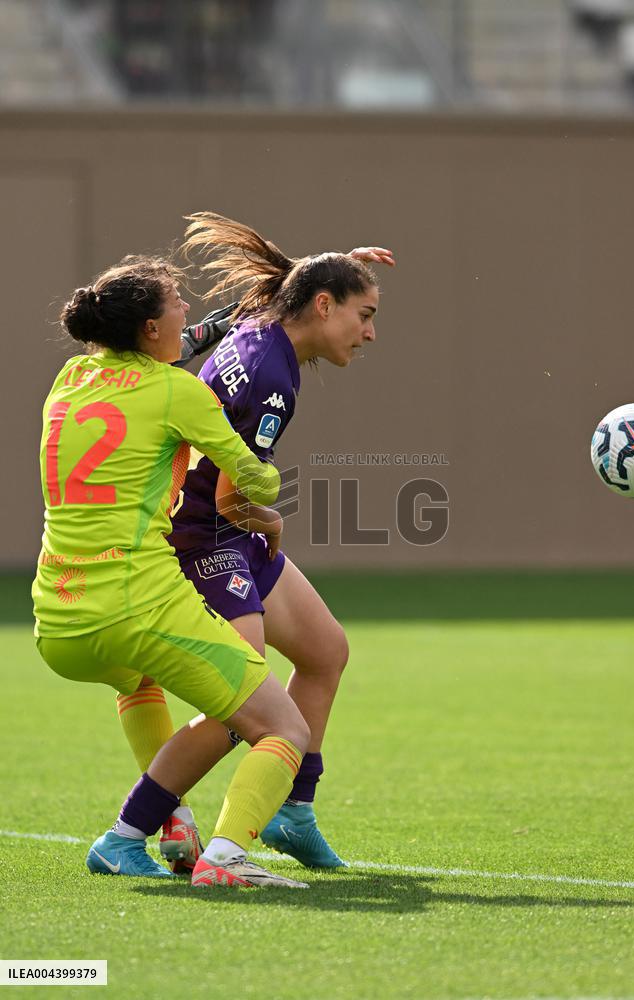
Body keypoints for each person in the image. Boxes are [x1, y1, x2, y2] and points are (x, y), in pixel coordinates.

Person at [114, 215, 394, 870]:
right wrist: (271, 519)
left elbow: (301, 286)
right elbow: (230, 492)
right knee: (245, 705)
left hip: (223, 532)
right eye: (365, 313)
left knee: (325, 651)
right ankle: (129, 833)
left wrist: (339, 264)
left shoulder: (264, 316)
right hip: (207, 537)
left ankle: (292, 813)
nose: (371, 332)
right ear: (322, 306)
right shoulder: (273, 377)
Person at [32, 254, 316, 889]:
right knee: (280, 724)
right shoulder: (179, 392)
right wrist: (269, 501)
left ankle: (166, 826)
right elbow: (254, 474)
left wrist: (203, 335)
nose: (187, 308)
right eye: (177, 302)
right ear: (149, 330)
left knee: (136, 682)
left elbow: (163, 355)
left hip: (59, 621)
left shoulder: (70, 376)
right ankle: (225, 858)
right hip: (139, 606)